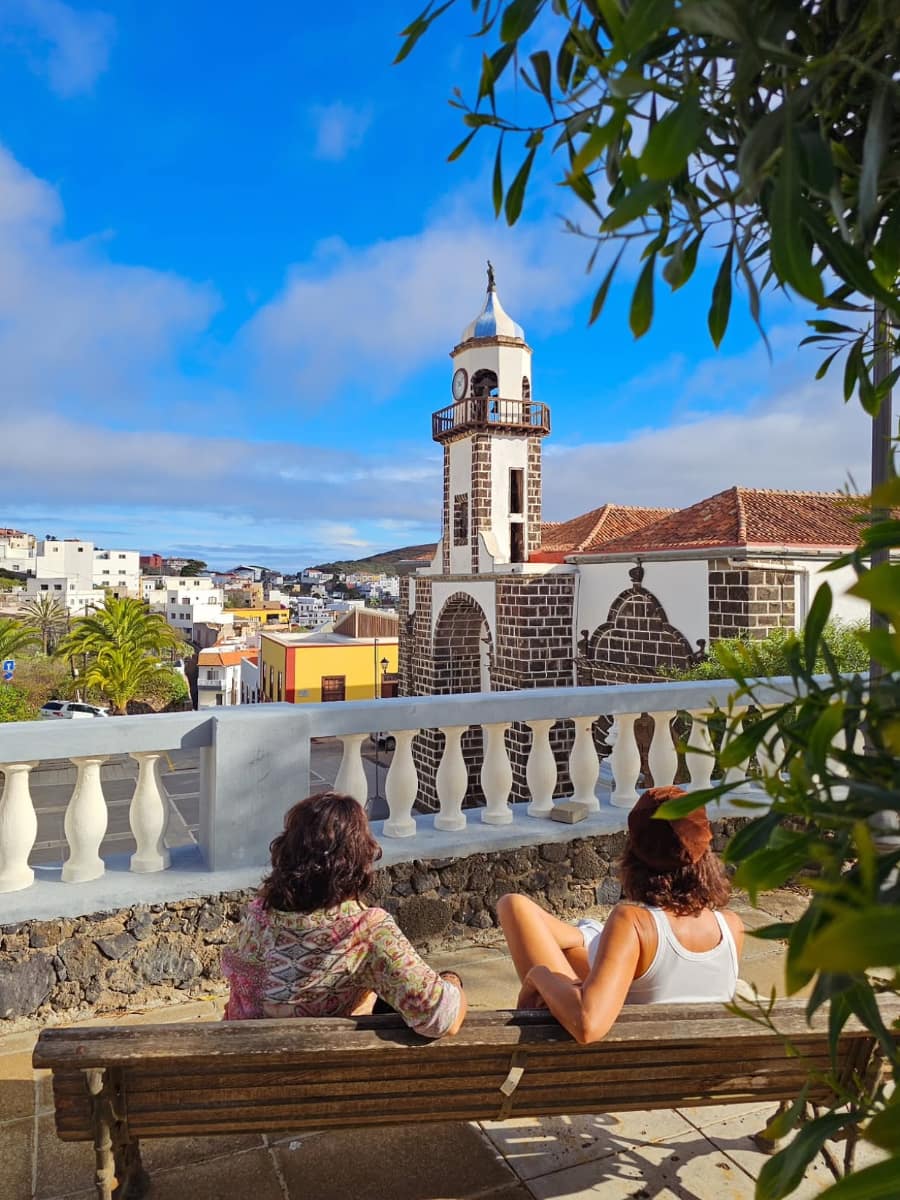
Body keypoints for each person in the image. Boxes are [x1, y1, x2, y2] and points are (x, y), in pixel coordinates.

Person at [497, 786, 744, 1044]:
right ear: (705, 847)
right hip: (693, 1073)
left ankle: (585, 938)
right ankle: (586, 937)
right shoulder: (732, 927)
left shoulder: (634, 923)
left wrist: (539, 975)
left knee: (512, 906)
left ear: (634, 852)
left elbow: (588, 1025)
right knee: (562, 938)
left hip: (620, 1069)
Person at [222, 791, 467, 1038]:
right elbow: (442, 1019)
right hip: (322, 1067)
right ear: (359, 859)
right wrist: (452, 979)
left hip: (238, 1062)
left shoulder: (257, 916)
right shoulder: (366, 929)